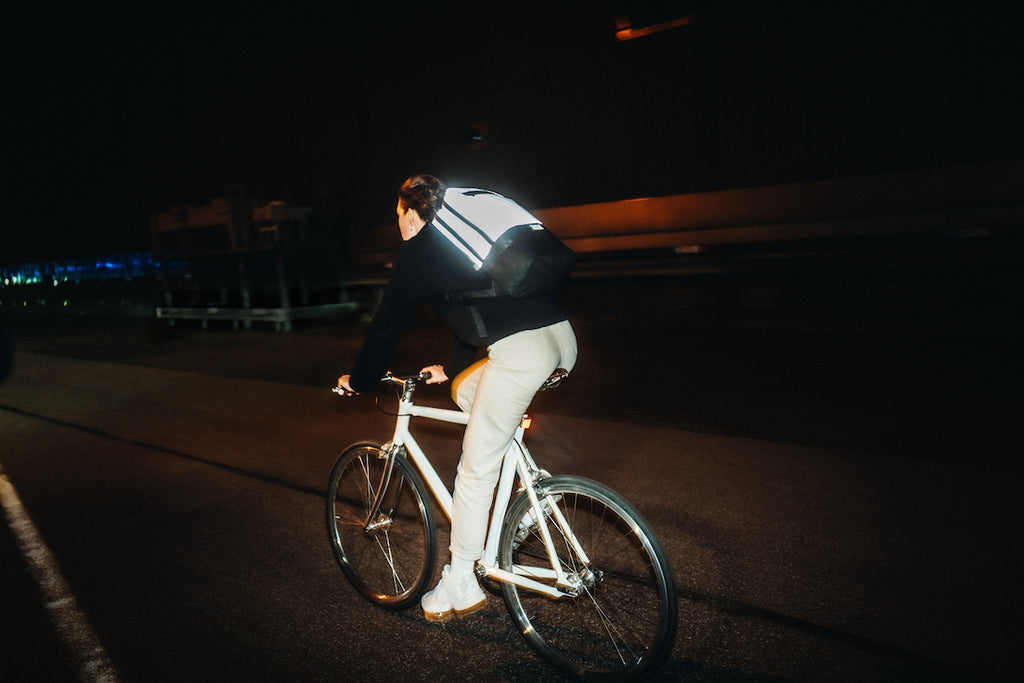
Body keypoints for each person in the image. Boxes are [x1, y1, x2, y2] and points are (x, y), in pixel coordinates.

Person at [338, 174, 577, 622]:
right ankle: (533, 490)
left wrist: (363, 380)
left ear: (412, 214)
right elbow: (474, 307)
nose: (399, 227)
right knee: (466, 390)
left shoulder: (419, 250)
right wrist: (451, 367)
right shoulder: (459, 239)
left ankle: (461, 578)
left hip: (522, 352)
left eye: (398, 217)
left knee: (474, 469)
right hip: (561, 340)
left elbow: (388, 324)